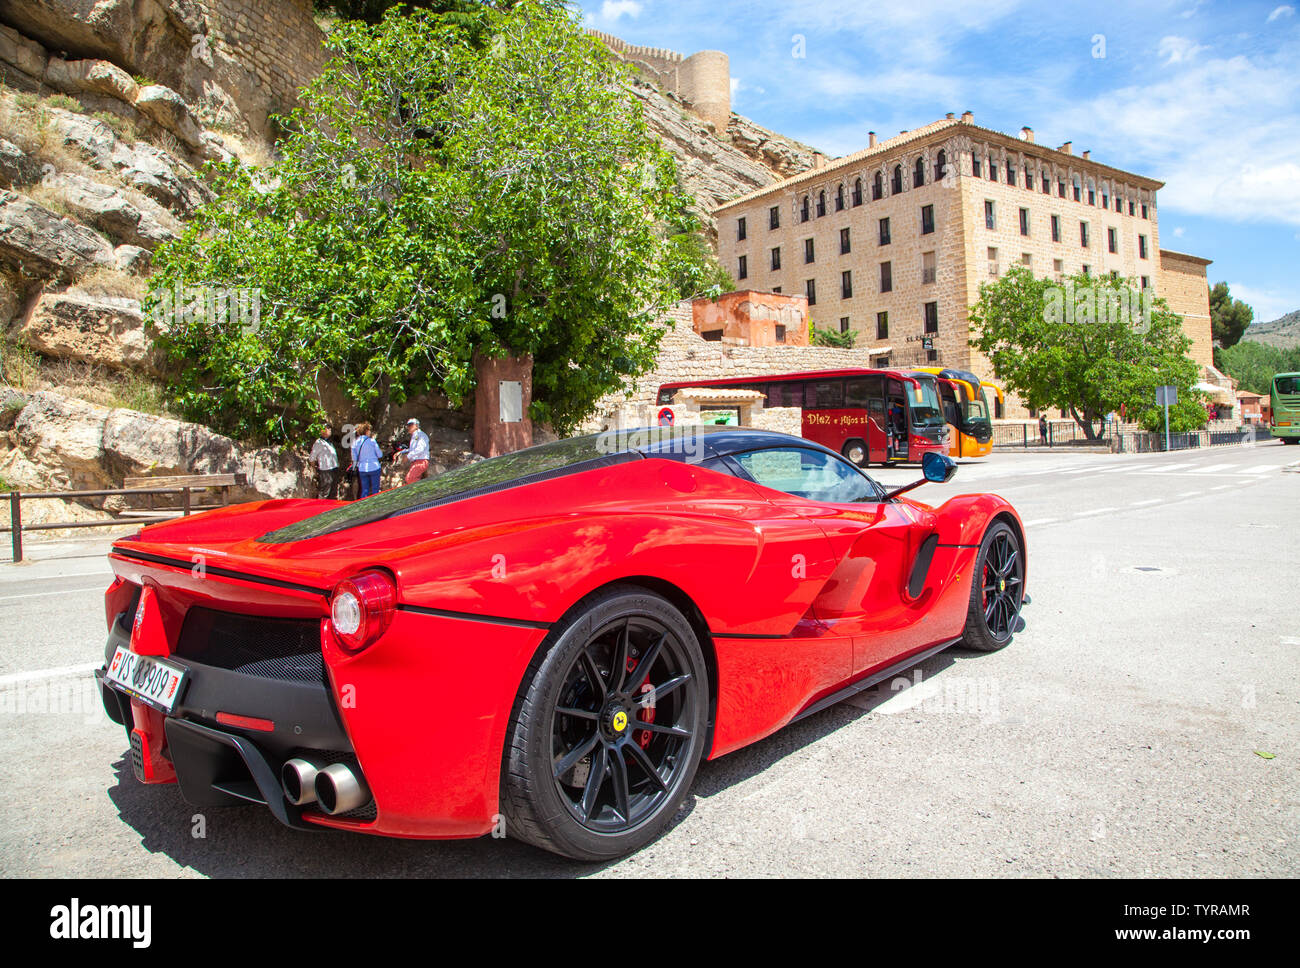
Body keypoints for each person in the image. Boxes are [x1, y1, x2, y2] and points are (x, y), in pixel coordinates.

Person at [350, 422, 383, 499]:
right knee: (375, 489)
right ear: (367, 431)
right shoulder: (372, 441)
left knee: (364, 490)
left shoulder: (354, 443)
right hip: (374, 467)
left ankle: (364, 508)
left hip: (362, 468)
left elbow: (354, 459)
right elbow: (380, 455)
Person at [309, 425, 339, 500]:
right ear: (322, 431)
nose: (330, 429)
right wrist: (314, 470)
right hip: (326, 470)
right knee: (324, 492)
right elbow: (312, 458)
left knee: (333, 491)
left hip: (334, 469)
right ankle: (320, 508)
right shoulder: (319, 442)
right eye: (328, 428)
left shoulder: (329, 442)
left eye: (330, 428)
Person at [401, 417, 430, 485]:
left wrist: (408, 456)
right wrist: (401, 452)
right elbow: (412, 449)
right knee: (412, 480)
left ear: (416, 425)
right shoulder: (415, 436)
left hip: (421, 461)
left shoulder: (421, 435)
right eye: (408, 425)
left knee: (410, 478)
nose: (409, 427)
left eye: (411, 424)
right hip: (416, 462)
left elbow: (420, 449)